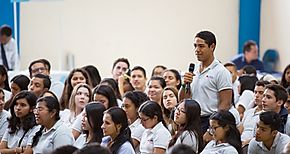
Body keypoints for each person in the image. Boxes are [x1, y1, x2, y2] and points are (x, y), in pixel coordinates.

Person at [179, 30, 232, 133]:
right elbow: (182, 100)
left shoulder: (221, 71)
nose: (197, 50)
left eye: (201, 46)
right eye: (195, 46)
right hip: (192, 120)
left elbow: (225, 103)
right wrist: (184, 84)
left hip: (209, 120)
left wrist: (211, 129)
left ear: (212, 47)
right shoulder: (193, 70)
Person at [238, 80, 269, 146]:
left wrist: (245, 143)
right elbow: (240, 128)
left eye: (260, 93)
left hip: (252, 144)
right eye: (255, 92)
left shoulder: (268, 115)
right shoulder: (249, 111)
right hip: (240, 142)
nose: (256, 95)